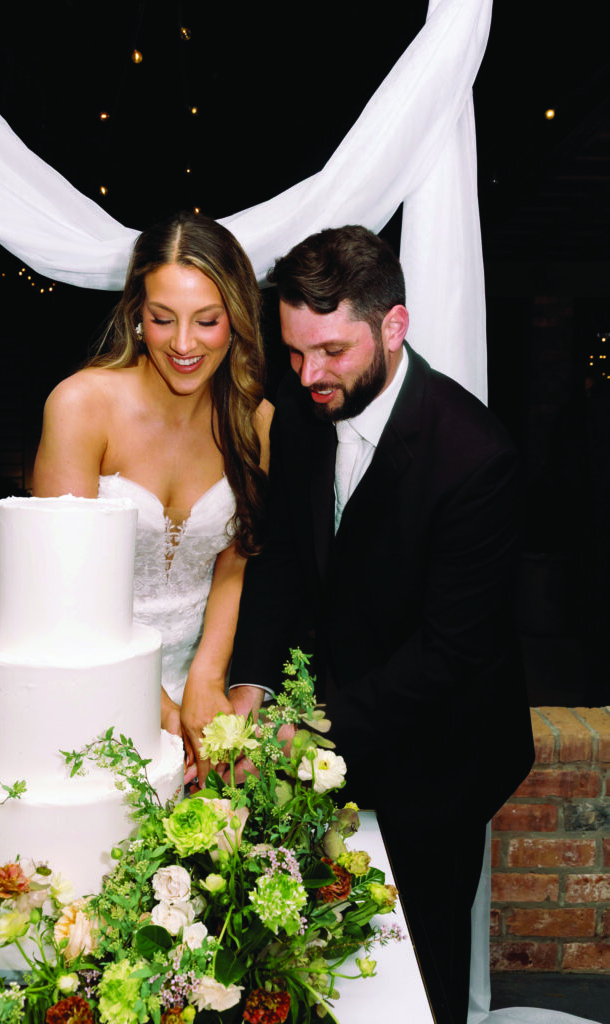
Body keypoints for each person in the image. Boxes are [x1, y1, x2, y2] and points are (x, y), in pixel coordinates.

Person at [229, 226, 535, 1024]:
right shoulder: (299, 417)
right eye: (294, 353)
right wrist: (250, 682)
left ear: (392, 327)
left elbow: (449, 655)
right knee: (310, 966)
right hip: (328, 727)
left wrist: (309, 730)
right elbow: (285, 560)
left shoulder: (475, 457)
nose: (308, 375)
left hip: (438, 756)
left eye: (330, 351)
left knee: (414, 977)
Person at [33, 211, 271, 779]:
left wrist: (207, 685)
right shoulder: (80, 407)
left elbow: (235, 564)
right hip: (87, 675)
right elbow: (65, 585)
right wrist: (157, 708)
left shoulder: (257, 421)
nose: (184, 344)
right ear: (137, 315)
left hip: (199, 683)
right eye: (163, 319)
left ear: (236, 320)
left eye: (207, 321)